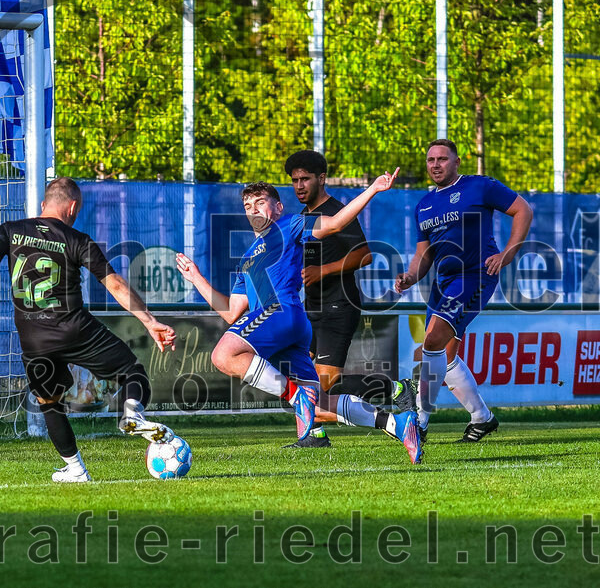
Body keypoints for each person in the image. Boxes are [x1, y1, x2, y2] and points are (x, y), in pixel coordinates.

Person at [0, 177, 178, 483]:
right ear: (72, 207)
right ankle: (131, 413)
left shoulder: (11, 230)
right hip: (75, 328)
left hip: (33, 336)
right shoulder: (78, 239)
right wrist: (150, 321)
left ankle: (76, 469)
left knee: (49, 403)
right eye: (78, 211)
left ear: (43, 204)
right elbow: (114, 284)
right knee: (132, 372)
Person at [176, 172, 423, 464]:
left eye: (260, 202)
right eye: (248, 206)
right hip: (289, 327)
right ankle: (396, 423)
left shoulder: (289, 224)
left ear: (278, 207)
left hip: (281, 312)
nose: (253, 210)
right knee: (318, 405)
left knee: (223, 355)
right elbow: (230, 311)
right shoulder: (247, 258)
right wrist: (197, 278)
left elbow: (336, 223)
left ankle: (296, 396)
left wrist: (373, 189)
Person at [395, 139, 533, 443]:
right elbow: (424, 254)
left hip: (474, 275)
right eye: (431, 160)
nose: (435, 165)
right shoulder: (423, 205)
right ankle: (482, 418)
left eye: (442, 159)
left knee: (432, 341)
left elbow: (522, 209)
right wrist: (410, 276)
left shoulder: (480, 186)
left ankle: (418, 423)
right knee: (444, 355)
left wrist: (508, 253)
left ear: (457, 162)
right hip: (443, 283)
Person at [286, 150, 416, 448]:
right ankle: (314, 435)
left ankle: (395, 389)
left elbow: (365, 255)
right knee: (298, 378)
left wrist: (323, 271)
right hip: (310, 309)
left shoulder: (336, 212)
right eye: (294, 180)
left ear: (322, 178)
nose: (299, 186)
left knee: (325, 387)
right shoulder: (303, 218)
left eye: (305, 179)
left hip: (339, 306)